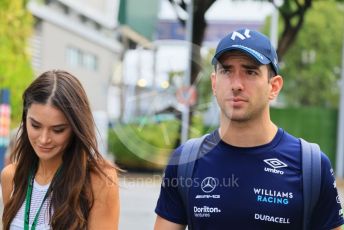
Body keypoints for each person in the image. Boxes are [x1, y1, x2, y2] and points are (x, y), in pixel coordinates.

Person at [154, 28, 344, 229]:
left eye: (250, 71)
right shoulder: (186, 161)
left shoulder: (311, 165)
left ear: (274, 87)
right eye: (226, 71)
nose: (236, 84)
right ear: (214, 83)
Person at [1, 70, 119, 229]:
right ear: (25, 119)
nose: (44, 139)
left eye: (58, 130)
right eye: (35, 125)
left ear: (76, 127)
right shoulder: (12, 176)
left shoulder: (99, 180)